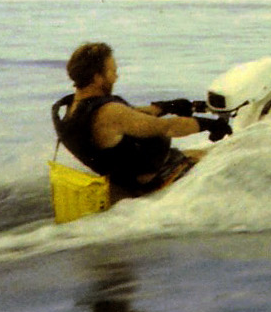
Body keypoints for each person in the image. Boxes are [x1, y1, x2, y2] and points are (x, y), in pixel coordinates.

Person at [50, 42, 229, 200]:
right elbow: (169, 128)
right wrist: (211, 125)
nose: (116, 77)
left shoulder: (71, 108)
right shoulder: (108, 113)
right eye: (113, 72)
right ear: (97, 78)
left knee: (210, 152)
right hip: (155, 181)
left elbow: (130, 117)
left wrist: (167, 106)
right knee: (226, 157)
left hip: (125, 178)